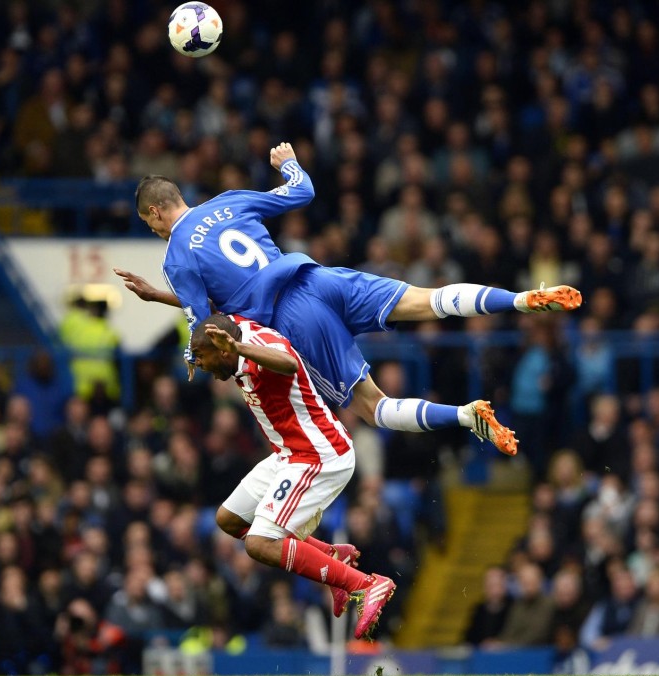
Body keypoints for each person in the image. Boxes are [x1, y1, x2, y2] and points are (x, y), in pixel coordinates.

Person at [117, 142, 582, 456]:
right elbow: (304, 190)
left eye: (149, 223)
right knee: (429, 299)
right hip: (318, 278)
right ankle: (521, 299)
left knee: (371, 407)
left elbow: (207, 325)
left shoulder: (177, 255)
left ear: (156, 211)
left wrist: (190, 355)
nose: (153, 230)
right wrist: (289, 162)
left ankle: (464, 415)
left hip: (291, 318)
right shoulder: (228, 201)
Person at [189, 313, 394, 640]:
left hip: (318, 455)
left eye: (203, 359)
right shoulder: (232, 327)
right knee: (229, 519)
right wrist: (159, 295)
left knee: (259, 544)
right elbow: (203, 302)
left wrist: (240, 348)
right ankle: (330, 556)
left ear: (225, 349)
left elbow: (288, 363)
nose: (203, 368)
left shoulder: (256, 347)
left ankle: (365, 584)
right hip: (288, 454)